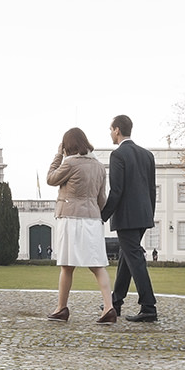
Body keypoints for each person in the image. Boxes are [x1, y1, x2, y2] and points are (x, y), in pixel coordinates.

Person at [45, 127, 116, 323]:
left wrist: (58, 155)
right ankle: (109, 308)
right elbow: (102, 198)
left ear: (67, 145)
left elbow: (50, 179)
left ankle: (61, 308)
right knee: (97, 266)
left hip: (70, 218)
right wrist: (99, 216)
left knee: (67, 266)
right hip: (92, 219)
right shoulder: (99, 166)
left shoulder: (70, 163)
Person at [100, 114, 158, 322]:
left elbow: (116, 191)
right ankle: (116, 301)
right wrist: (148, 215)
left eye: (110, 129)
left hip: (126, 218)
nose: (110, 133)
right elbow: (152, 190)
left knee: (135, 259)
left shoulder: (118, 155)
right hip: (143, 216)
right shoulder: (147, 155)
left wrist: (102, 216)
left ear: (117, 130)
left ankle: (149, 307)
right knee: (127, 256)